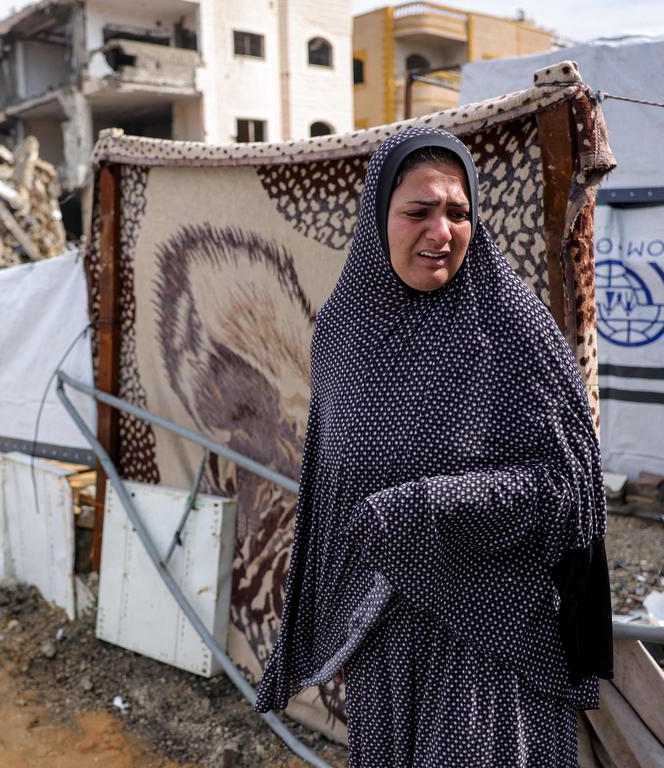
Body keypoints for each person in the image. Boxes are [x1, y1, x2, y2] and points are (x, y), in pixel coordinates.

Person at [252, 127, 613, 766]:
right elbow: (327, 481)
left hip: (492, 647)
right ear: (377, 219)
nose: (441, 231)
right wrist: (321, 618)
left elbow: (571, 489)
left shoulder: (510, 323)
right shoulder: (344, 330)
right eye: (418, 211)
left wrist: (433, 502)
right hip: (386, 645)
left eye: (458, 212)